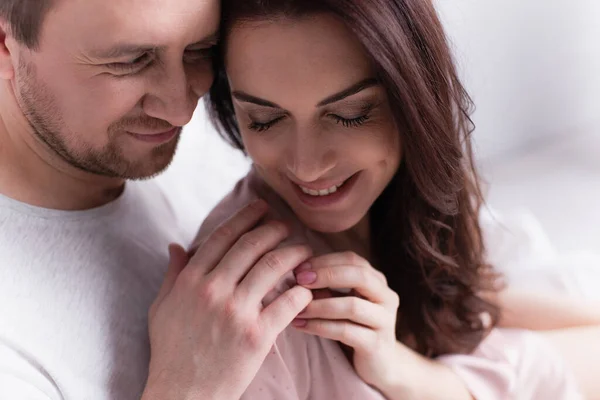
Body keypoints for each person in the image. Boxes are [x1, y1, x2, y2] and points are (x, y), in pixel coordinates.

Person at [199, 0, 600, 398]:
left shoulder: (405, 199)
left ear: (413, 99)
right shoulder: (256, 306)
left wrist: (407, 371)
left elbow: (467, 306)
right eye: (264, 119)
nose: (306, 167)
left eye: (351, 114)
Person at [0, 1, 319, 399]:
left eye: (199, 51)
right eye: (131, 61)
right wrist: (188, 390)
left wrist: (406, 372)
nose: (182, 110)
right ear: (5, 44)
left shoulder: (205, 153)